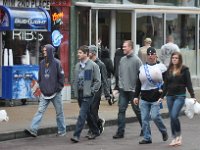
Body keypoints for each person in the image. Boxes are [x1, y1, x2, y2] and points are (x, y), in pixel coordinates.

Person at [25, 44, 66, 137]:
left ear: (50, 52)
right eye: (43, 51)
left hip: (56, 93)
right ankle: (33, 130)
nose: (44, 52)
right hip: (45, 93)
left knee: (59, 112)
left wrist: (58, 88)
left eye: (45, 51)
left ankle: (62, 130)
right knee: (40, 111)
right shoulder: (42, 63)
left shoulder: (57, 63)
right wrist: (40, 87)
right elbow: (40, 78)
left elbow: (61, 78)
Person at [159, 51, 196, 146]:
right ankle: (174, 138)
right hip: (170, 96)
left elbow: (189, 84)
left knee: (174, 115)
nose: (174, 59)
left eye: (176, 58)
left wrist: (193, 96)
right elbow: (166, 85)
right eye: (173, 58)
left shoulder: (184, 70)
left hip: (180, 96)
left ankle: (179, 136)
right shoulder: (169, 70)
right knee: (172, 117)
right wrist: (162, 96)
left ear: (179, 60)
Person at [133, 47, 168, 144]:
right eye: (148, 54)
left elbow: (167, 83)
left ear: (156, 55)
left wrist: (163, 95)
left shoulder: (162, 67)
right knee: (144, 119)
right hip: (144, 97)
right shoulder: (142, 68)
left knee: (155, 116)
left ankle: (163, 131)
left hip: (156, 97)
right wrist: (136, 96)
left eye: (152, 54)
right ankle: (147, 138)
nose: (150, 56)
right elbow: (138, 83)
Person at [113, 40, 143, 139]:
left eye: (125, 46)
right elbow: (120, 74)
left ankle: (145, 128)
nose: (123, 48)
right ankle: (120, 132)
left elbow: (141, 76)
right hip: (123, 90)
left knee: (137, 110)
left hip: (133, 91)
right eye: (123, 46)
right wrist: (120, 86)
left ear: (130, 47)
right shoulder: (122, 60)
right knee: (121, 110)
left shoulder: (137, 60)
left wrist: (137, 90)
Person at [71, 45, 101, 143]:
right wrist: (74, 89)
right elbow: (74, 79)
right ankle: (96, 130)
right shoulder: (77, 66)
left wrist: (92, 91)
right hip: (79, 93)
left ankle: (76, 135)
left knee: (82, 114)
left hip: (88, 94)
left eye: (80, 53)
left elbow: (98, 81)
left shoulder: (93, 65)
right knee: (87, 114)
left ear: (86, 54)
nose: (78, 54)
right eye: (78, 52)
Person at [86, 45, 111, 139]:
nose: (87, 54)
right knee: (88, 111)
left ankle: (93, 130)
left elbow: (104, 79)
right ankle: (99, 122)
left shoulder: (101, 65)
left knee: (93, 111)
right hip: (88, 91)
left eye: (88, 52)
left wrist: (107, 94)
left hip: (97, 91)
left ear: (93, 53)